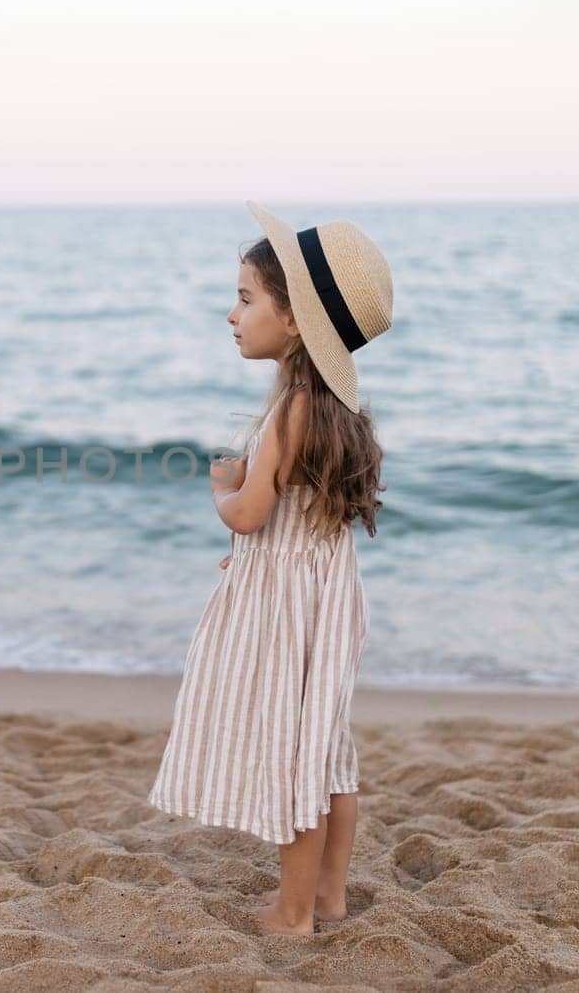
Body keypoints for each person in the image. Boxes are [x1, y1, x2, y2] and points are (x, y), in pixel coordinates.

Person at [145, 201, 394, 936]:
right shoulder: (335, 407)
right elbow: (302, 520)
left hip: (288, 606)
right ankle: (328, 898)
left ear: (294, 323)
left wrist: (223, 488)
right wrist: (256, 545)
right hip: (322, 592)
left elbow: (252, 512)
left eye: (247, 298)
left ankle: (291, 914)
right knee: (326, 748)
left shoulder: (290, 410)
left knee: (292, 752)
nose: (231, 314)